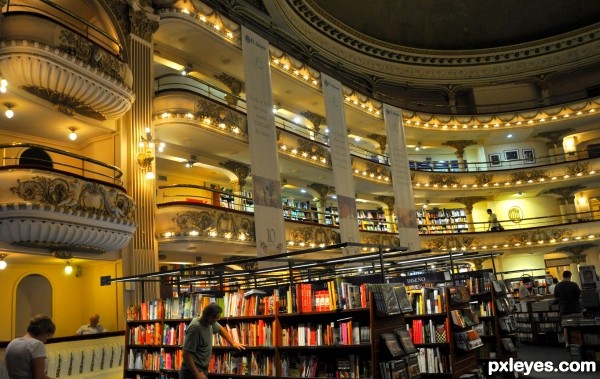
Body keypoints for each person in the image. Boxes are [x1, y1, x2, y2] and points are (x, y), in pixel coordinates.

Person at [180, 302, 245, 379]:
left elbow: (221, 330)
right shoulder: (195, 328)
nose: (218, 320)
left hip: (202, 369)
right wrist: (197, 374)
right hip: (191, 372)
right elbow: (186, 354)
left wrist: (233, 343)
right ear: (210, 318)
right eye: (217, 318)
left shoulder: (209, 323)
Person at [6, 314, 56, 379]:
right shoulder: (37, 345)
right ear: (43, 331)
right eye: (47, 336)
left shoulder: (12, 343)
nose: (45, 340)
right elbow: (39, 377)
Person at [554, 270, 582, 347]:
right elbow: (580, 294)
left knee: (566, 326)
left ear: (563, 276)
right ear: (570, 276)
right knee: (576, 324)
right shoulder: (574, 284)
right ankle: (577, 342)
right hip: (575, 308)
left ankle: (567, 343)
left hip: (564, 308)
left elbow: (556, 297)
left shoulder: (558, 285)